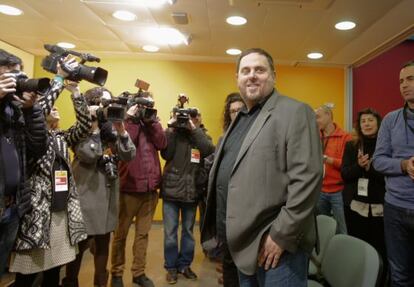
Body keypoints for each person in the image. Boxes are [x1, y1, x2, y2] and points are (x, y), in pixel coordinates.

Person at [201, 48, 322, 287]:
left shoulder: (295, 111)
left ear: (274, 76)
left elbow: (308, 178)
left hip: (274, 246)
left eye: (260, 70)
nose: (252, 75)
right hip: (238, 244)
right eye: (245, 71)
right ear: (237, 79)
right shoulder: (240, 119)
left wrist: (281, 235)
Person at [10, 59, 92, 287]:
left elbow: (84, 126)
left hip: (60, 211)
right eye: (49, 108)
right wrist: (57, 81)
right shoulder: (29, 136)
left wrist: (75, 91)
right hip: (37, 213)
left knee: (54, 270)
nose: (54, 109)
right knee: (27, 273)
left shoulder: (61, 137)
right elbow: (41, 108)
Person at [62, 87, 136, 287]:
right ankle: (70, 282)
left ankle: (101, 283)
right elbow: (88, 155)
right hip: (86, 197)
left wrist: (121, 131)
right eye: (102, 104)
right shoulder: (80, 130)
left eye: (107, 104)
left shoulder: (110, 132)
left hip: (107, 200)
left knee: (103, 247)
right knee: (78, 248)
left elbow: (129, 155)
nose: (106, 108)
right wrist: (93, 128)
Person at [110, 91, 167, 287]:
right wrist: (132, 119)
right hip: (129, 188)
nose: (145, 109)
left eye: (149, 105)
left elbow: (162, 143)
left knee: (143, 234)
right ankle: (116, 273)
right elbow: (125, 145)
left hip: (150, 189)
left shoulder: (151, 123)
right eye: (142, 105)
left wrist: (153, 122)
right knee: (121, 234)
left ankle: (138, 272)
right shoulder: (123, 122)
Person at [0, 49, 47, 278]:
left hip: (11, 206)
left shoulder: (16, 110)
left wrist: (31, 110)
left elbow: (37, 149)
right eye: (11, 75)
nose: (19, 82)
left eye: (20, 76)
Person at [161, 107, 215, 284]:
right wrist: (170, 128)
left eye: (193, 116)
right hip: (171, 191)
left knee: (188, 232)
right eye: (186, 117)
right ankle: (171, 267)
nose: (188, 120)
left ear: (198, 118)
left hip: (191, 192)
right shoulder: (174, 134)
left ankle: (184, 265)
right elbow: (165, 153)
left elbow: (208, 150)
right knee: (170, 233)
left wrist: (194, 129)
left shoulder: (201, 136)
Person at [373, 60, 414, 287]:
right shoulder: (390, 120)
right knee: (399, 275)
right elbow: (378, 161)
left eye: (410, 79)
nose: (404, 85)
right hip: (395, 208)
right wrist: (404, 165)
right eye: (401, 81)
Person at [341, 108, 387, 285]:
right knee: (359, 249)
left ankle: (379, 281)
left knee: (380, 250)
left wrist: (370, 169)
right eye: (363, 121)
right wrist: (359, 167)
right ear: (359, 126)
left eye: (370, 120)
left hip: (380, 209)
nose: (367, 124)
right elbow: (345, 175)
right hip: (355, 209)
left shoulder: (386, 145)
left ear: (378, 123)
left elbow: (389, 177)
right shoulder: (352, 146)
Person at [315, 104, 352, 234]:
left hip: (339, 192)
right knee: (321, 229)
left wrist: (327, 159)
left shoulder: (346, 137)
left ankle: (343, 253)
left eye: (318, 117)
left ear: (329, 116)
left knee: (342, 229)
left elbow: (347, 166)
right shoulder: (314, 137)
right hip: (320, 190)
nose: (315, 121)